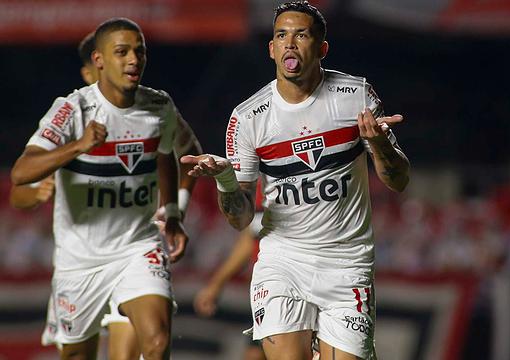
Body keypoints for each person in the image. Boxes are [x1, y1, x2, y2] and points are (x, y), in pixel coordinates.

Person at [182, 2, 410, 359]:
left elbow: (398, 180)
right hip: (283, 262)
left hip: (347, 264)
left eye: (301, 35)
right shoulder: (248, 118)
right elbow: (240, 218)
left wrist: (380, 147)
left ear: (321, 48)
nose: (290, 43)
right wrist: (226, 178)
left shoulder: (355, 97)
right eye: (281, 35)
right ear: (271, 49)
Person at [11, 18, 189, 360]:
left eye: (140, 51)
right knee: (78, 355)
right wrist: (77, 146)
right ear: (99, 60)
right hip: (80, 259)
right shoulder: (72, 110)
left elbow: (165, 155)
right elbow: (21, 173)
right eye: (122, 52)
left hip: (137, 247)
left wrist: (171, 213)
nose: (133, 60)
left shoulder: (159, 106)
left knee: (156, 341)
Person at [194, 186, 266, 360]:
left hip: (310, 281)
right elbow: (251, 236)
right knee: (255, 355)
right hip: (270, 289)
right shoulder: (261, 183)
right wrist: (216, 284)